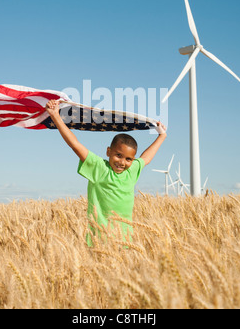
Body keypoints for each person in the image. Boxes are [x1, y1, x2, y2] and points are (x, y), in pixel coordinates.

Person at [45, 100, 167, 246]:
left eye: (129, 159)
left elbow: (146, 158)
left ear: (133, 159)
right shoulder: (99, 168)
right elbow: (75, 145)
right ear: (108, 151)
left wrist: (161, 136)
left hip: (126, 240)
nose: (122, 162)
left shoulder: (132, 170)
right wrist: (56, 117)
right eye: (118, 155)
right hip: (98, 239)